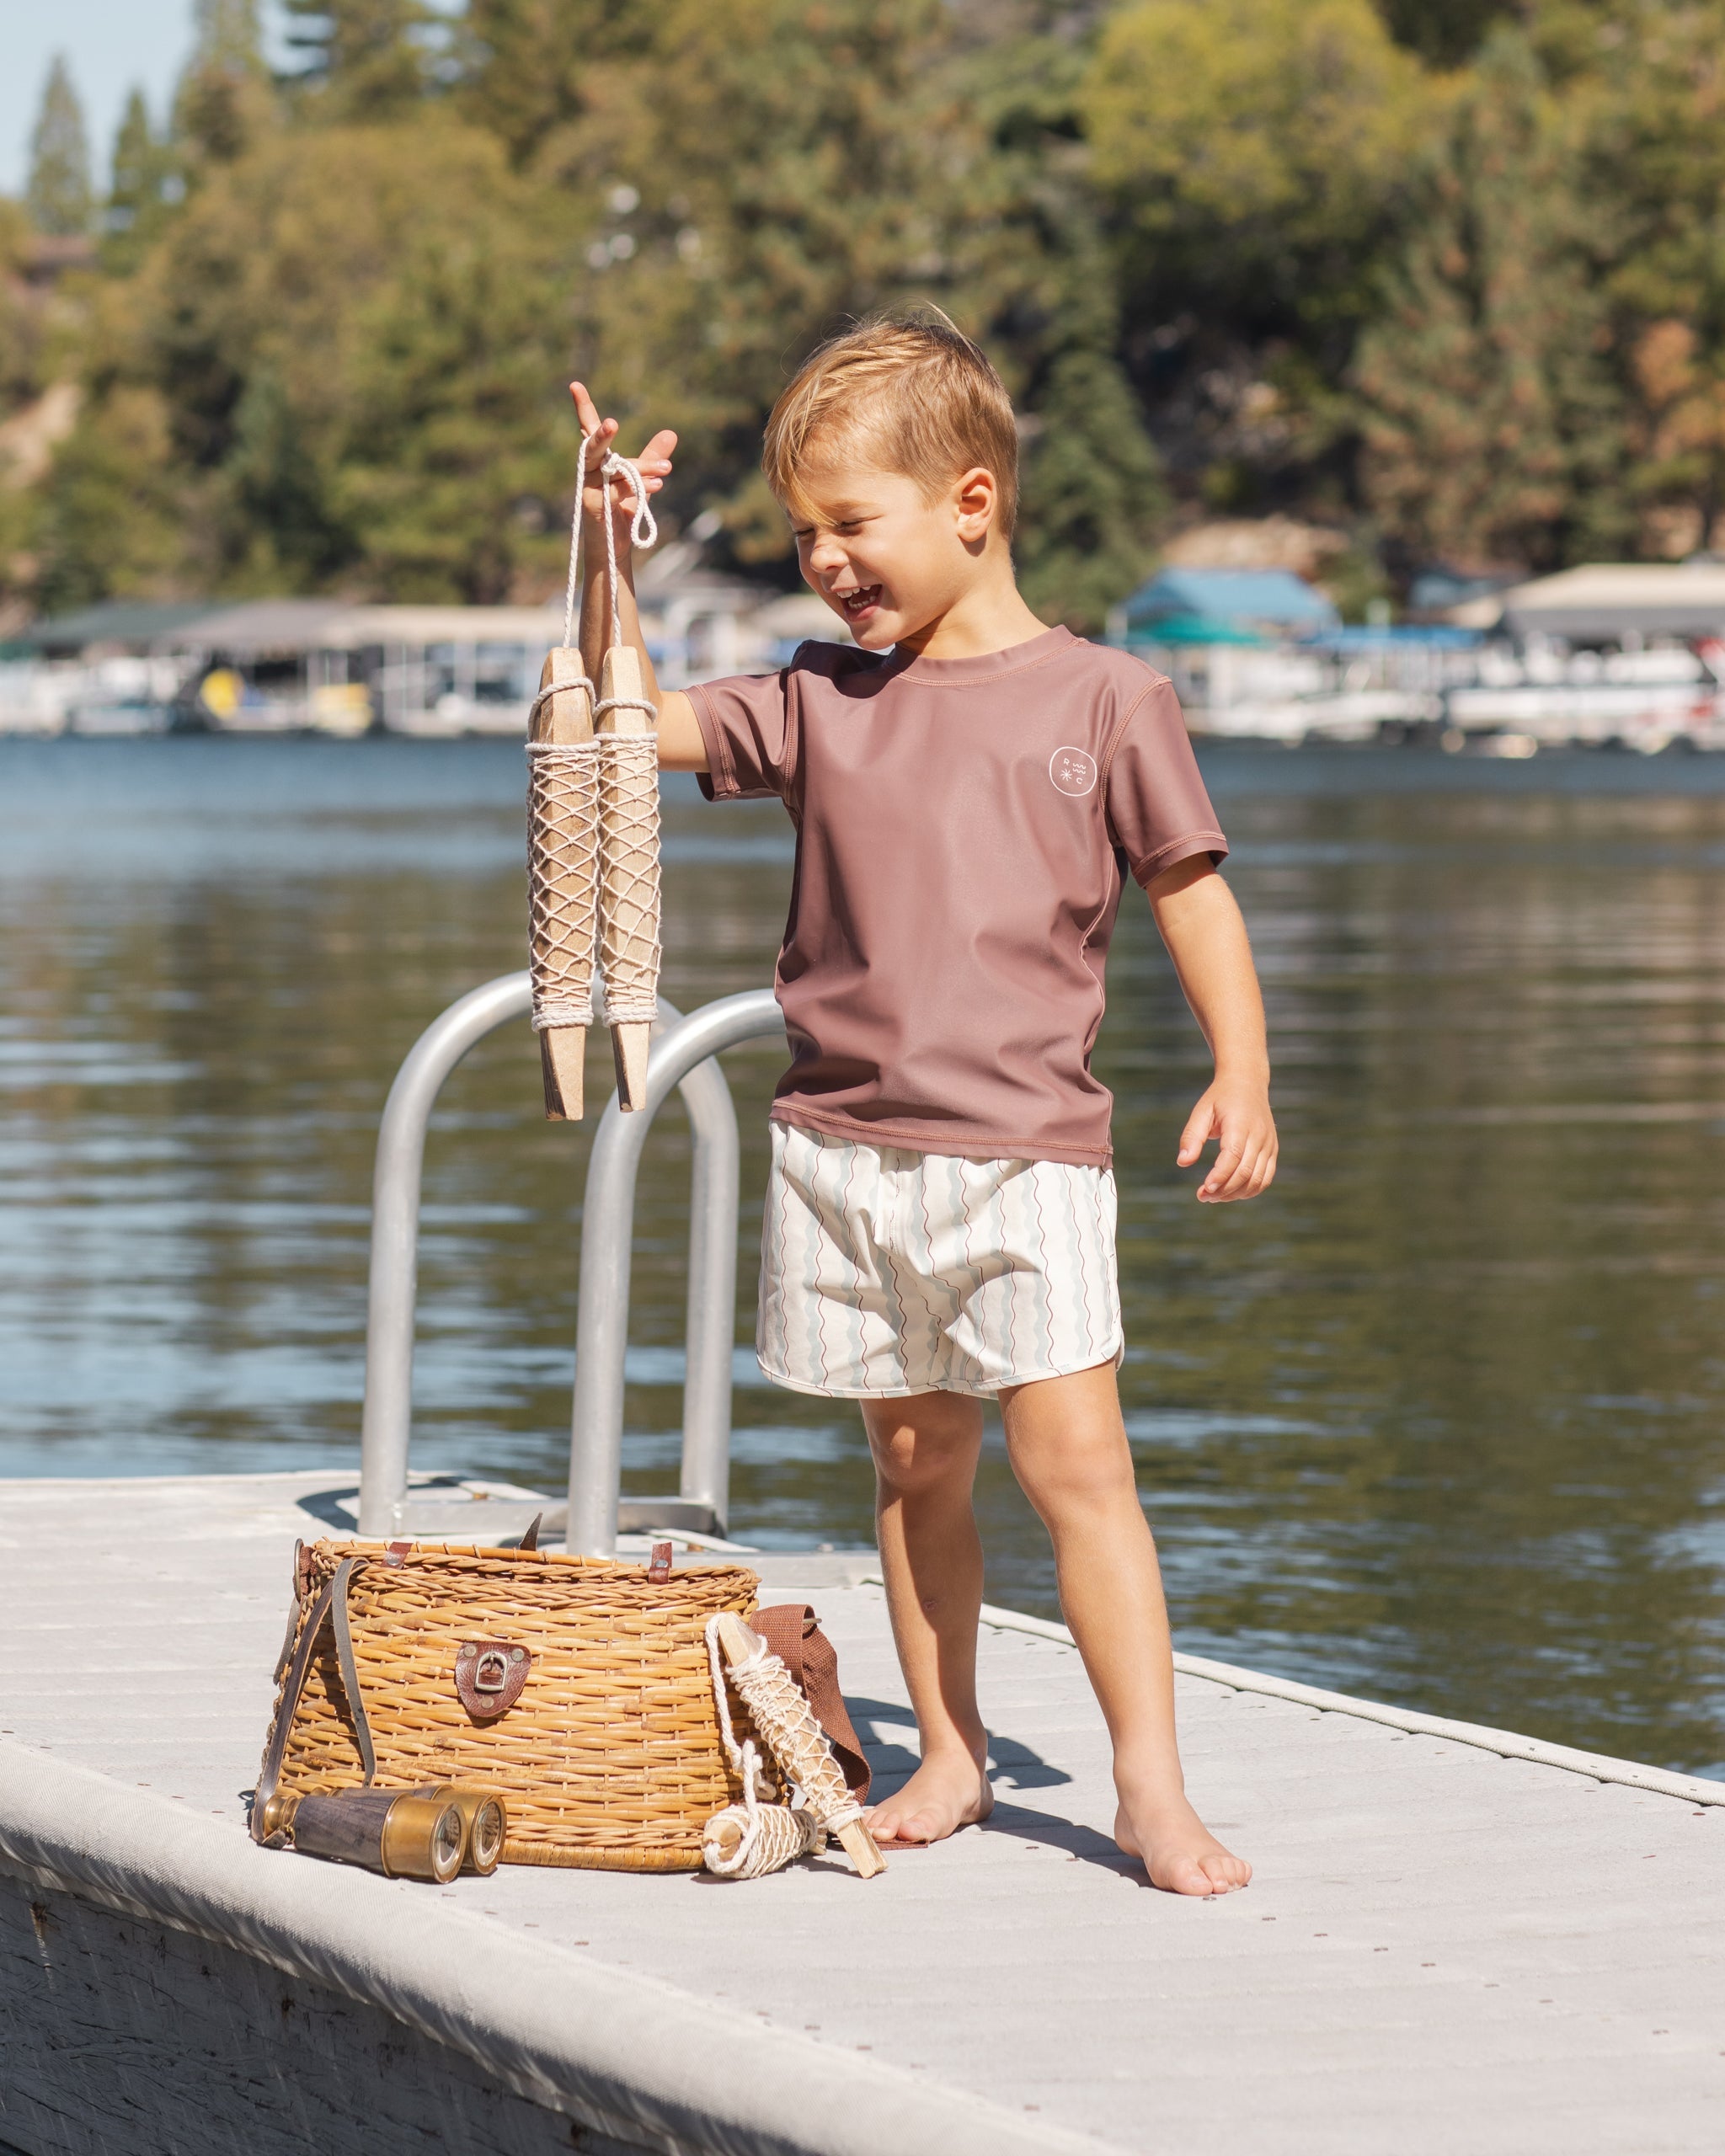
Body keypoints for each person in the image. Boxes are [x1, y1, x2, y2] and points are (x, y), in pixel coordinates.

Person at [569, 317, 1276, 1897]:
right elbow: (621, 717)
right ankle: (952, 1754)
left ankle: (1147, 1788)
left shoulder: (1108, 698)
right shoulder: (820, 699)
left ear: (970, 502)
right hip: (844, 1153)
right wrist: (603, 558)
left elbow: (1193, 895)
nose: (823, 558)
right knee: (913, 1461)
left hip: (1029, 1156)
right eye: (803, 531)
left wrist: (1242, 1063)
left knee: (1079, 1463)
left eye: (850, 523)